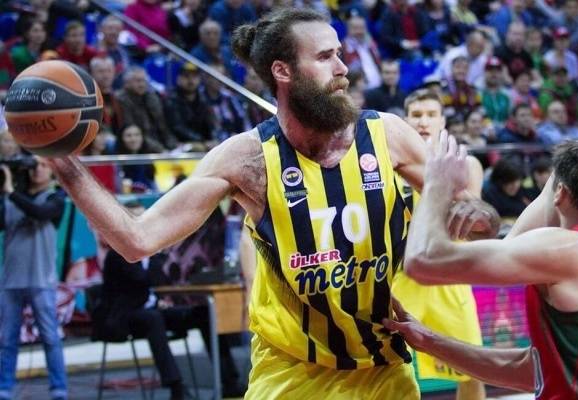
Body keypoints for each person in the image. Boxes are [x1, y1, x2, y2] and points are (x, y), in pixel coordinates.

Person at [46, 9, 500, 399]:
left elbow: (481, 220)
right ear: (283, 71)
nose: (343, 68)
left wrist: (471, 213)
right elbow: (136, 240)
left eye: (340, 54)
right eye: (325, 57)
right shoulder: (246, 159)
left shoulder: (389, 135)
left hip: (383, 370)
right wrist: (63, 164)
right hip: (291, 374)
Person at [387, 133, 578, 399]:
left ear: (560, 193)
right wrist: (430, 341)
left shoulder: (569, 249)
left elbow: (423, 260)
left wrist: (436, 184)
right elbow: (530, 370)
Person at [93, 200, 242, 400]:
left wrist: (159, 255)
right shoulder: (118, 253)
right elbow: (141, 278)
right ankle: (176, 387)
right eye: (137, 219)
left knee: (203, 313)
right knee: (153, 318)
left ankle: (229, 381)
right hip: (122, 316)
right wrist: (155, 255)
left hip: (152, 311)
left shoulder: (154, 253)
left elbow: (165, 279)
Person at [393, 89, 486, 400]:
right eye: (416, 115)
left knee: (472, 369)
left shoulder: (467, 164)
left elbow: (471, 224)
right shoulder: (390, 166)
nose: (423, 121)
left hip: (447, 277)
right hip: (401, 278)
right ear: (406, 121)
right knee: (388, 367)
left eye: (431, 115)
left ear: (442, 121)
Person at [0, 158, 68, 400]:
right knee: (7, 340)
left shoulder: (55, 198)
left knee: (50, 337)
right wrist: (6, 189)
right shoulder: (9, 199)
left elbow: (40, 213)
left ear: (52, 172)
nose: (37, 169)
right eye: (34, 165)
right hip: (11, 280)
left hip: (41, 280)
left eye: (44, 165)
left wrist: (10, 192)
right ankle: (4, 388)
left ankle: (59, 388)